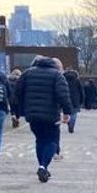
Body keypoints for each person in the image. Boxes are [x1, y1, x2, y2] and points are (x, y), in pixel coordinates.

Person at [14, 55, 72, 183]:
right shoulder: (57, 75)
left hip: (32, 114)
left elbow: (17, 91)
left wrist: (20, 109)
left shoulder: (27, 73)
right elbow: (63, 94)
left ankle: (42, 166)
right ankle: (43, 166)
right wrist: (67, 112)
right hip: (51, 114)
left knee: (40, 140)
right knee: (51, 141)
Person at [63, 69, 84, 133]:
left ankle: (69, 123)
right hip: (75, 99)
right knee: (74, 113)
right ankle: (72, 124)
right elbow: (81, 91)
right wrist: (82, 100)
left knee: (67, 112)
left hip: (66, 97)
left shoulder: (63, 79)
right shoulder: (77, 80)